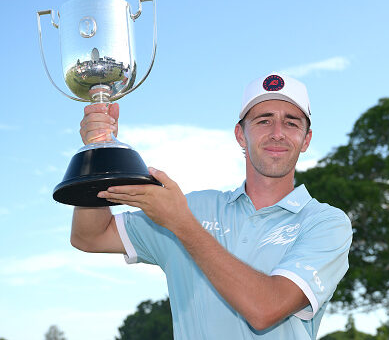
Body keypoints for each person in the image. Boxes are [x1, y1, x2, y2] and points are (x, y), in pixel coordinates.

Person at [71, 72, 352, 339]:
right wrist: (98, 152)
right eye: (263, 121)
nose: (278, 133)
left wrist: (182, 224)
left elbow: (265, 309)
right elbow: (90, 236)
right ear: (241, 135)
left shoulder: (326, 223)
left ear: (306, 140)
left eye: (291, 122)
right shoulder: (192, 207)